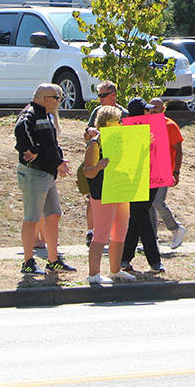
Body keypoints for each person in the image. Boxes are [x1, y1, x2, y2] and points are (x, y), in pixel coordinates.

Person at [14, 83, 74, 275]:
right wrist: (34, 151)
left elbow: (51, 143)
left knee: (54, 214)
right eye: (56, 98)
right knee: (31, 218)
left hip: (48, 174)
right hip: (34, 173)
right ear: (43, 98)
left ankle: (53, 259)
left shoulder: (46, 115)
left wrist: (58, 160)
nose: (59, 102)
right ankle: (28, 261)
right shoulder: (30, 114)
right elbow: (21, 131)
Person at [82, 106, 134, 285]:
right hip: (103, 192)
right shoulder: (95, 143)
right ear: (107, 123)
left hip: (120, 189)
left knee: (120, 232)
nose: (121, 123)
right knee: (102, 234)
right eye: (118, 121)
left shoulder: (121, 140)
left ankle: (115, 270)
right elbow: (87, 172)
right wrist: (98, 167)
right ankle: (94, 274)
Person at [120, 98, 165, 276]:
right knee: (143, 219)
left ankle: (124, 257)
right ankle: (155, 261)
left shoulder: (152, 128)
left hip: (152, 179)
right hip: (135, 181)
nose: (149, 113)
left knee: (137, 219)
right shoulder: (126, 131)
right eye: (146, 110)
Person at [145, 97, 186, 249]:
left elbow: (179, 150)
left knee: (157, 202)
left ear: (163, 109)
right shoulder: (146, 124)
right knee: (149, 204)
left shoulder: (170, 125)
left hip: (165, 170)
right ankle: (151, 238)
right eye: (151, 108)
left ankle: (176, 228)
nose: (153, 111)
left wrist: (176, 172)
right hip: (149, 170)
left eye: (156, 108)